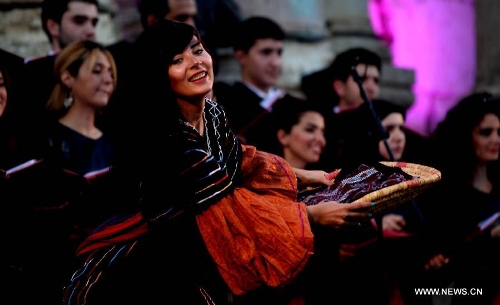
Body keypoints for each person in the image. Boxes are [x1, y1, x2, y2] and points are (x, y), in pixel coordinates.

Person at [61, 19, 374, 305]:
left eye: (198, 50)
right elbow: (230, 205)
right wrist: (312, 217)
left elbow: (241, 160)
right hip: (140, 271)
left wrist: (305, 176)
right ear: (158, 75)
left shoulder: (211, 114)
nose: (196, 62)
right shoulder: (165, 136)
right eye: (177, 60)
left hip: (186, 262)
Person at [21, 40, 120, 305]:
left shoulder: (116, 144)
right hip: (62, 274)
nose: (108, 79)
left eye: (110, 72)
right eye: (97, 71)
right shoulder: (44, 142)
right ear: (68, 77)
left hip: (114, 271)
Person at [420, 92, 500, 305]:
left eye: (499, 132)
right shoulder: (445, 198)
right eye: (486, 132)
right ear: (466, 136)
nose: (496, 139)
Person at [16, 0, 99, 157]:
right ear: (53, 26)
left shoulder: (107, 74)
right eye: (79, 21)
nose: (91, 31)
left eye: (94, 22)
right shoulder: (29, 75)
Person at [213, 16, 307, 152]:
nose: (275, 62)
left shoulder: (296, 107)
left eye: (279, 52)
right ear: (241, 56)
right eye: (266, 52)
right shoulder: (224, 104)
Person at [264, 98, 326, 170]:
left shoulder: (326, 180)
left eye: (323, 133)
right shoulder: (262, 176)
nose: (321, 140)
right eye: (310, 130)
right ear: (283, 136)